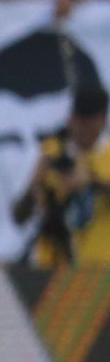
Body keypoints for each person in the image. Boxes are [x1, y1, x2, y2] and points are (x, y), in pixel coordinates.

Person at [19, 79, 110, 267]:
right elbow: (19, 216)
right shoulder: (53, 152)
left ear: (102, 120)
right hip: (52, 273)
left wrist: (92, 182)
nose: (81, 129)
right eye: (77, 121)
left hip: (99, 274)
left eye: (88, 123)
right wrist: (34, 185)